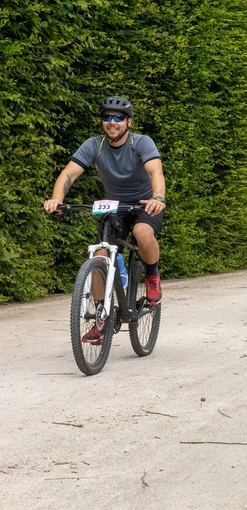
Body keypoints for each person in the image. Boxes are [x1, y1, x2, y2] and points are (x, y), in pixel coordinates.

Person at [44, 96, 168, 335]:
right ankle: (101, 319)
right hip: (114, 208)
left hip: (145, 205)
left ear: (128, 122)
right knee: (100, 255)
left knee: (142, 232)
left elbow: (156, 172)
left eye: (119, 118)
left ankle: (152, 277)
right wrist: (57, 198)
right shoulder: (94, 145)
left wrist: (158, 198)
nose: (112, 122)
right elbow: (68, 174)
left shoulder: (141, 142)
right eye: (107, 117)